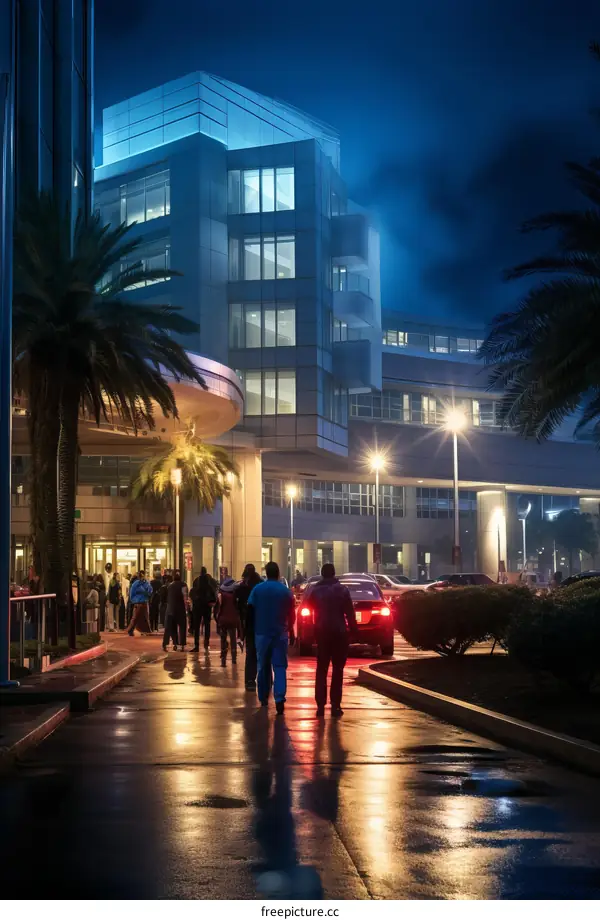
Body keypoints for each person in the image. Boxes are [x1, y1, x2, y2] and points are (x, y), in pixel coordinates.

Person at [308, 563, 358, 718]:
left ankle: (320, 705)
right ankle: (335, 705)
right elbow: (350, 612)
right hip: (339, 632)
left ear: (322, 574)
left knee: (321, 669)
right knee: (338, 669)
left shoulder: (315, 590)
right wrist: (354, 631)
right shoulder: (342, 590)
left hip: (322, 632)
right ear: (334, 573)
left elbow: (308, 610)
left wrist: (310, 631)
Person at [247, 561, 295, 714]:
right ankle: (279, 699)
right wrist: (291, 632)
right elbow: (291, 614)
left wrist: (247, 632)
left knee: (263, 666)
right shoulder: (285, 591)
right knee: (279, 667)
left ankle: (263, 697)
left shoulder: (257, 589)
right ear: (278, 573)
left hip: (261, 633)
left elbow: (250, 611)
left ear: (266, 573)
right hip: (280, 634)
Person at [235, 563, 263, 690]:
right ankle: (266, 679)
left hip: (248, 622)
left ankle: (250, 680)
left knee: (250, 652)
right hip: (261, 622)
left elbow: (238, 605)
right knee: (263, 652)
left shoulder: (242, 586)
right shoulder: (260, 584)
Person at [190, 566, 217, 652]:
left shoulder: (196, 581)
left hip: (197, 606)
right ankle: (206, 642)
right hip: (206, 607)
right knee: (207, 625)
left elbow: (192, 593)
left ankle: (196, 645)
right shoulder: (209, 583)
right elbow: (214, 596)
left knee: (197, 626)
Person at [216, 577, 241, 666]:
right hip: (233, 620)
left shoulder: (221, 595)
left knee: (223, 639)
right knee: (233, 639)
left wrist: (217, 619)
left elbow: (217, 609)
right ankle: (234, 659)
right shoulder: (235, 595)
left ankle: (223, 660)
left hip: (223, 620)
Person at [163, 569, 188, 651]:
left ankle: (169, 643)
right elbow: (185, 597)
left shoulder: (170, 586)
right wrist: (186, 608)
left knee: (170, 627)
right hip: (180, 609)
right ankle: (182, 644)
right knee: (182, 627)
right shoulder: (183, 585)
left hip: (170, 609)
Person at [127, 570, 153, 636]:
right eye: (142, 576)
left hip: (144, 602)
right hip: (139, 603)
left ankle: (146, 631)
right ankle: (130, 630)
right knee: (135, 617)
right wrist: (135, 600)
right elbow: (132, 593)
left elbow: (150, 590)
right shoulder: (136, 584)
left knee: (145, 618)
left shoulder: (146, 583)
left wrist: (147, 592)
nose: (143, 577)